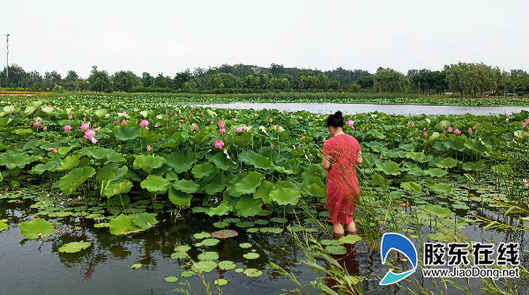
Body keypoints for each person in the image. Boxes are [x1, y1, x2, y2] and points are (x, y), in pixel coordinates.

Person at [321, 111, 362, 236]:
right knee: (349, 218)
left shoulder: (329, 143)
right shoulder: (354, 141)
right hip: (353, 186)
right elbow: (359, 161)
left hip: (337, 187)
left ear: (331, 127)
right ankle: (352, 245)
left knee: (337, 221)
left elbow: (325, 165)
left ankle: (341, 251)